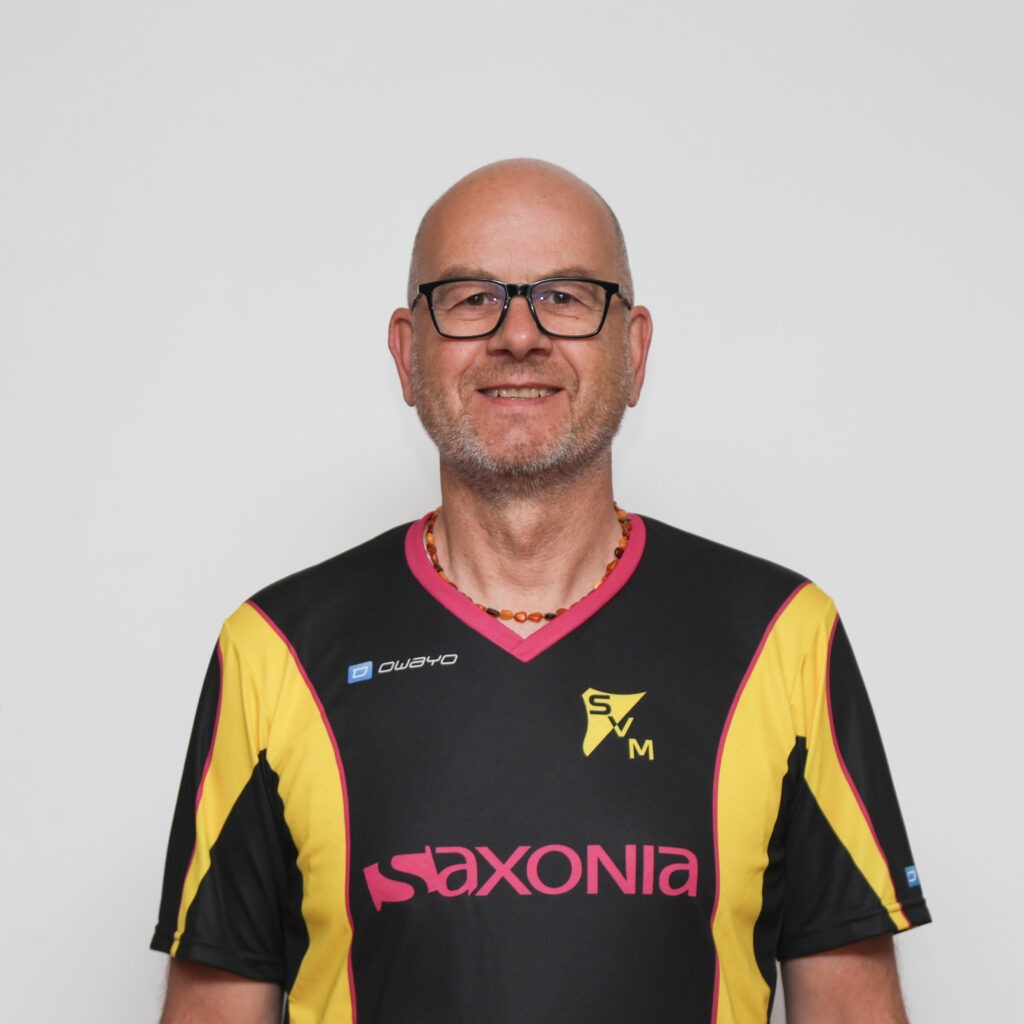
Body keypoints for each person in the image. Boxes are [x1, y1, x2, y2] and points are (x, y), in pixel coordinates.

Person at [152, 158, 930, 1023]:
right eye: (471, 298)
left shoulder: (782, 638)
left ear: (632, 350)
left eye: (565, 296)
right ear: (407, 354)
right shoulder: (274, 651)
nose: (518, 335)